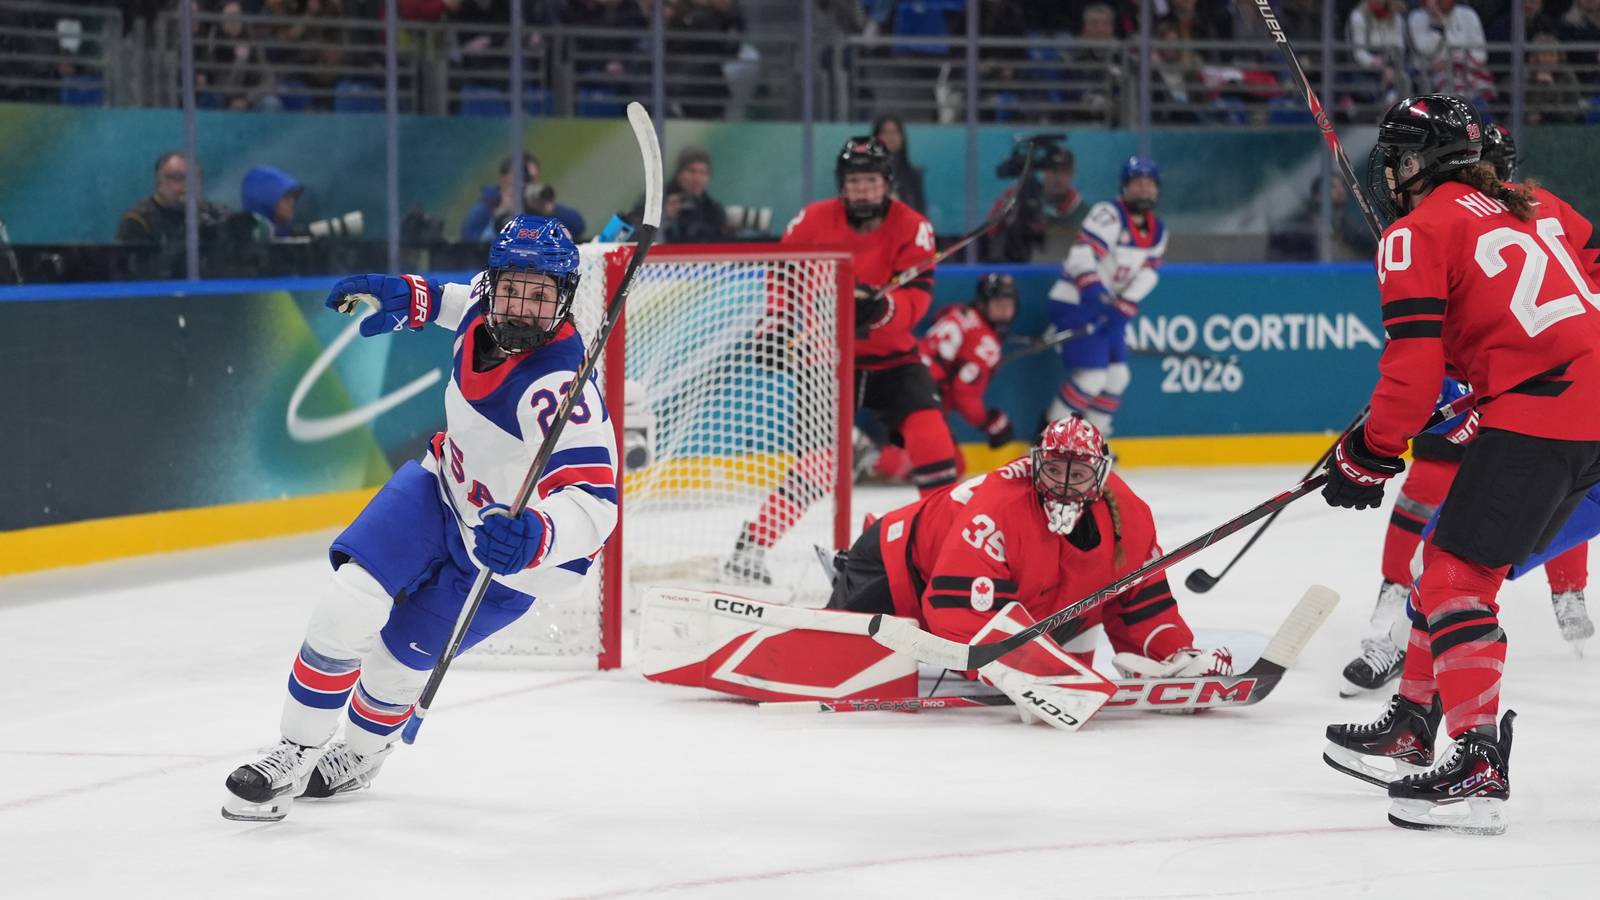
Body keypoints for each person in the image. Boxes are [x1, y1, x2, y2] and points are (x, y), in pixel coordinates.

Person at [220, 215, 618, 822]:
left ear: (562, 301)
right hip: (442, 490)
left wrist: (537, 536)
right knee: (348, 598)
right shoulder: (486, 310)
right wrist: (414, 295)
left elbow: (596, 501)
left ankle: (358, 755)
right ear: (495, 282)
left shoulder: (560, 385)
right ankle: (293, 751)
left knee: (396, 664)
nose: (522, 307)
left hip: (512, 558)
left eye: (541, 296)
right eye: (513, 288)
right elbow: (461, 305)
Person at [1320, 94, 1600, 835]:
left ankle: (1478, 761)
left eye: (1397, 159)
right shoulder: (1540, 204)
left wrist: (1368, 455)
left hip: (1550, 415)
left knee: (1454, 578)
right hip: (1572, 408)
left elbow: (1411, 378)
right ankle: (1414, 722)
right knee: (1444, 559)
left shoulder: (1416, 233)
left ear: (1414, 162)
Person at [1338, 130, 1593, 697]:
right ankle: (1413, 701)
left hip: (1547, 404)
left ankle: (1420, 674)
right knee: (1456, 547)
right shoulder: (1533, 204)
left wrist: (1372, 449)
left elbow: (1418, 366)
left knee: (1461, 565)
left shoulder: (1439, 225)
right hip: (1560, 395)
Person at [826, 417, 1232, 729]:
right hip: (895, 566)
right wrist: (1021, 672)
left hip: (1029, 600)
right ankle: (843, 574)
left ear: (1102, 474)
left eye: (1079, 474)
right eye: (1054, 470)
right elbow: (955, 611)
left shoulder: (1132, 516)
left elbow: (1143, 605)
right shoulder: (999, 510)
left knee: (1074, 651)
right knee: (835, 657)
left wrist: (1174, 656)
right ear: (1037, 464)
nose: (1065, 485)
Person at [724, 136, 957, 585]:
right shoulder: (811, 221)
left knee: (933, 442)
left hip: (892, 358)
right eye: (854, 181)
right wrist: (775, 325)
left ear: (887, 183)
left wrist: (881, 311)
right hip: (825, 359)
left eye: (871, 181)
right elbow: (783, 279)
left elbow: (916, 300)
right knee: (819, 466)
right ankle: (751, 545)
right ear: (842, 185)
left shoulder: (913, 227)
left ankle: (949, 545)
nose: (863, 190)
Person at [1043, 156, 1166, 437]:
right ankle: (1047, 442)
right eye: (1138, 184)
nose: (1144, 190)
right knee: (1091, 378)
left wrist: (1125, 303)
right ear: (1125, 187)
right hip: (1075, 301)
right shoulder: (1108, 213)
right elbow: (1080, 255)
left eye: (1149, 184)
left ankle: (1094, 444)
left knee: (1117, 377)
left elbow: (1149, 272)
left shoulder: (1158, 231)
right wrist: (1096, 294)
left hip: (1107, 309)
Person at [861, 273, 1020, 484]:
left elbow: (940, 319)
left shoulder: (960, 311)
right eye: (998, 303)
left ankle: (875, 455)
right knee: (951, 468)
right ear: (983, 302)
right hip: (921, 392)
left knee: (932, 459)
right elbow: (964, 393)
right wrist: (991, 423)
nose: (1004, 311)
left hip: (899, 375)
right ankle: (870, 455)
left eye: (1008, 305)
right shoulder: (987, 345)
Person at [982, 144, 1087, 263]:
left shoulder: (1082, 211)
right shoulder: (1016, 196)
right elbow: (990, 234)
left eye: (1064, 171)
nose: (1058, 177)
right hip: (1021, 269)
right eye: (1053, 170)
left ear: (1073, 173)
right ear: (1042, 171)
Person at [462, 153, 587, 242]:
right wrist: (500, 216)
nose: (525, 184)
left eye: (531, 179)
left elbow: (578, 227)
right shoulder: (489, 205)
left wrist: (550, 211)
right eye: (520, 178)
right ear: (503, 179)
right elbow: (472, 243)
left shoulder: (536, 205)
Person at [629, 146, 729, 244]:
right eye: (692, 171)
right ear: (680, 172)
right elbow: (632, 235)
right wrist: (663, 218)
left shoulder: (712, 210)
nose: (697, 179)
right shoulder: (655, 200)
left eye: (703, 173)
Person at [872, 114, 926, 215]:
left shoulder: (913, 174)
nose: (890, 137)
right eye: (885, 132)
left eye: (895, 132)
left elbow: (920, 210)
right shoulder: (865, 173)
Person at [241, 165, 304, 238]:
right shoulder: (247, 242)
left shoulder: (288, 234)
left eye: (293, 196)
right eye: (285, 197)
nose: (292, 202)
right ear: (264, 200)